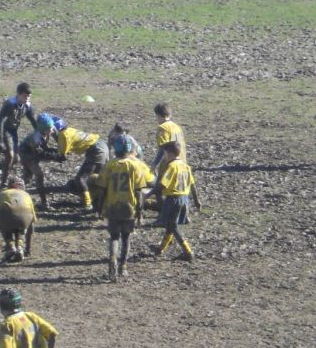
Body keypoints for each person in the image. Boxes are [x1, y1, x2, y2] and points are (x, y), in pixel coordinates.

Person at [96, 135, 153, 281]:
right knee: (126, 238)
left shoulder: (109, 165)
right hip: (129, 207)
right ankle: (123, 266)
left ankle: (111, 264)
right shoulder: (135, 166)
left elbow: (101, 188)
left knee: (114, 237)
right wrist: (140, 212)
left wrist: (99, 208)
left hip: (113, 207)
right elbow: (139, 191)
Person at [38, 113, 108, 211]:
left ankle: (88, 204)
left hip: (97, 151)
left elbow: (61, 156)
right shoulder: (68, 130)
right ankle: (99, 201)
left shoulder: (63, 136)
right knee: (96, 178)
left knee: (80, 179)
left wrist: (43, 154)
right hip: (101, 145)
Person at [145, 141, 201, 262]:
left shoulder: (171, 166)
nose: (164, 156)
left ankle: (188, 252)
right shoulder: (185, 166)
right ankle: (160, 249)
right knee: (170, 225)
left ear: (169, 153)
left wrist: (148, 195)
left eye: (164, 153)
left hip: (173, 199)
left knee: (173, 226)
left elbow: (162, 185)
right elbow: (192, 184)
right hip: (184, 199)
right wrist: (197, 200)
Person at [0, 83, 37, 189]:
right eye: (25, 96)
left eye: (29, 96)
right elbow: (0, 122)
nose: (27, 98)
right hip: (5, 131)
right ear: (18, 94)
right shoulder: (10, 104)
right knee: (10, 156)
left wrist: (40, 133)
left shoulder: (27, 106)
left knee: (16, 159)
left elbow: (33, 121)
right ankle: (4, 183)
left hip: (14, 132)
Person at [0, 176, 37, 262]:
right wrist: (28, 248)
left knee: (4, 225)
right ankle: (20, 247)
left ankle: (10, 247)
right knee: (22, 228)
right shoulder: (26, 195)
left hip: (7, 219)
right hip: (24, 219)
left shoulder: (3, 194)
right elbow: (31, 223)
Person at [18, 124, 63, 210]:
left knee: (27, 177)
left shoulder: (45, 134)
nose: (52, 131)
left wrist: (57, 152)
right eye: (50, 130)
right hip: (27, 156)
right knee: (39, 175)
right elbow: (41, 154)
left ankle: (15, 195)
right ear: (44, 129)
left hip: (30, 155)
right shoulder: (36, 139)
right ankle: (44, 203)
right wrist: (56, 157)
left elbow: (44, 149)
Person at [150, 103, 186, 174]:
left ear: (158, 115)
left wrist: (155, 164)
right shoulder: (177, 127)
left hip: (170, 164)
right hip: (182, 162)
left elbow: (163, 148)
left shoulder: (162, 128)